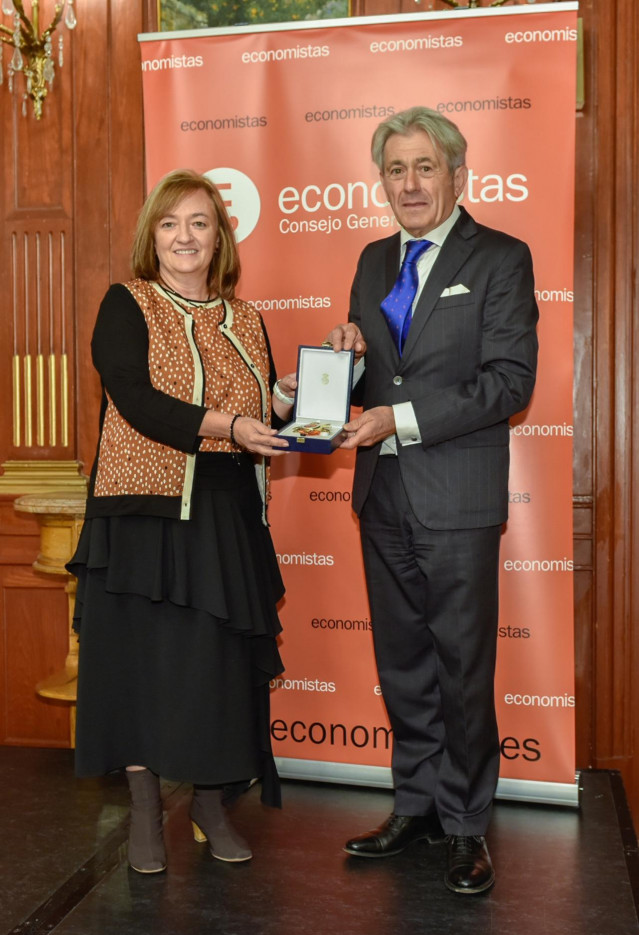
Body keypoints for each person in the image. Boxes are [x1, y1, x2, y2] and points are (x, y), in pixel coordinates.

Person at [324, 106, 538, 894]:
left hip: (457, 499)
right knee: (404, 666)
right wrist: (342, 358)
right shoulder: (373, 260)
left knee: (459, 671)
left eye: (423, 167)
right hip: (381, 496)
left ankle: (464, 826)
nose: (409, 184)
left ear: (457, 174)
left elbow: (509, 383)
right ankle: (412, 806)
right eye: (394, 169)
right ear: (380, 181)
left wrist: (400, 418)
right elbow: (375, 372)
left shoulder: (501, 258)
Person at [67, 169, 296, 874]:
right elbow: (135, 400)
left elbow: (271, 410)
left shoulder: (247, 319)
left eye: (199, 223)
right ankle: (142, 810)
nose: (185, 237)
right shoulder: (125, 303)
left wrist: (312, 386)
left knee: (213, 673)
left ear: (220, 238)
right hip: (143, 515)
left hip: (225, 519)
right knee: (137, 669)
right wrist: (231, 424)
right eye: (170, 224)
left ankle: (206, 804)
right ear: (152, 237)